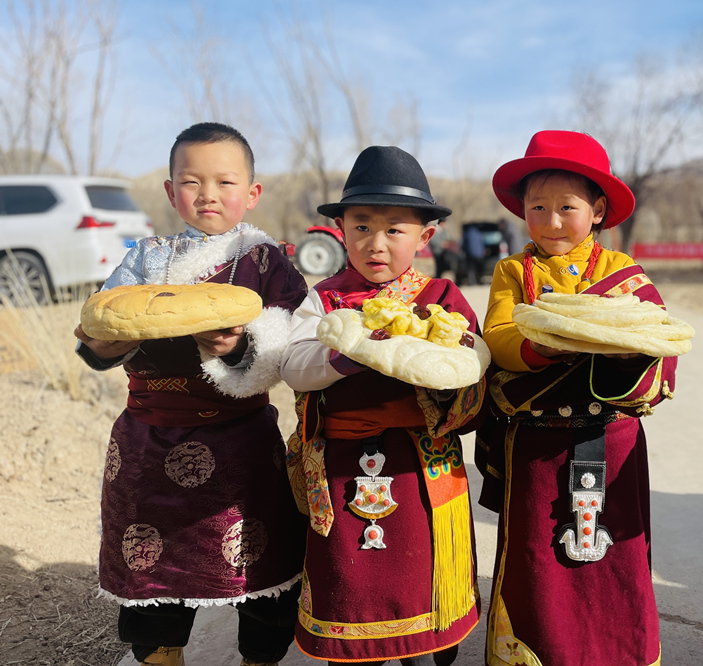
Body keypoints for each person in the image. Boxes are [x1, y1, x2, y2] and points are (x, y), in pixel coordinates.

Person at [73, 122, 307, 666]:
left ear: (252, 193)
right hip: (147, 443)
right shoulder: (143, 260)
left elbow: (289, 341)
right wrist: (103, 344)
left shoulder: (265, 259)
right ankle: (161, 653)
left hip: (241, 446)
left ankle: (259, 657)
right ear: (170, 190)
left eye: (225, 182)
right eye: (191, 180)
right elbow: (104, 332)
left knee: (259, 571)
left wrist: (237, 348)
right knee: (149, 575)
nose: (207, 194)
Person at [475, 130, 677, 666]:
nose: (551, 220)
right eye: (536, 207)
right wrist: (539, 348)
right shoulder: (513, 272)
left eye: (567, 207)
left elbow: (655, 338)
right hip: (536, 441)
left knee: (616, 556)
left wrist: (622, 354)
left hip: (610, 437)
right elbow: (497, 336)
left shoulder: (620, 272)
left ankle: (621, 652)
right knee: (535, 558)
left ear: (599, 210)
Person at [280, 145, 481, 665]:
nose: (377, 243)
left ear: (424, 236)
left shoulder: (440, 300)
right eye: (362, 226)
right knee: (351, 588)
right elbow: (294, 366)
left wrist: (409, 410)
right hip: (342, 468)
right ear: (340, 230)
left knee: (416, 585)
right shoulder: (323, 299)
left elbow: (472, 384)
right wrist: (353, 351)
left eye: (395, 230)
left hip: (419, 472)